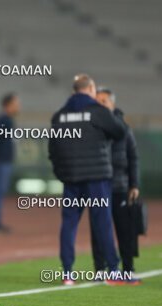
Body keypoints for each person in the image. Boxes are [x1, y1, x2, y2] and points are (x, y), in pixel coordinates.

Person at [48, 74, 126, 285]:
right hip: (96, 178)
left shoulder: (59, 116)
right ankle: (112, 269)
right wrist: (112, 113)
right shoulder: (99, 112)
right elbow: (120, 131)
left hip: (71, 179)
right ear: (91, 88)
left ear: (74, 91)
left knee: (69, 224)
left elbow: (53, 149)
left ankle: (67, 273)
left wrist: (61, 173)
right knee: (103, 223)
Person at [89, 87, 141, 284]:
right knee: (98, 230)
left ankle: (127, 269)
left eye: (104, 101)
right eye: (98, 100)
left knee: (124, 230)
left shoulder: (124, 128)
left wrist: (134, 184)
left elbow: (133, 157)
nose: (101, 104)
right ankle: (100, 270)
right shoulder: (90, 127)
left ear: (112, 104)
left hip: (120, 185)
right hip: (97, 186)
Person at [0, 93, 20, 233]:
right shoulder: (4, 120)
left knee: (0, 191)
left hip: (3, 160)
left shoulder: (6, 120)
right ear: (8, 105)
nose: (18, 106)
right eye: (16, 103)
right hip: (2, 160)